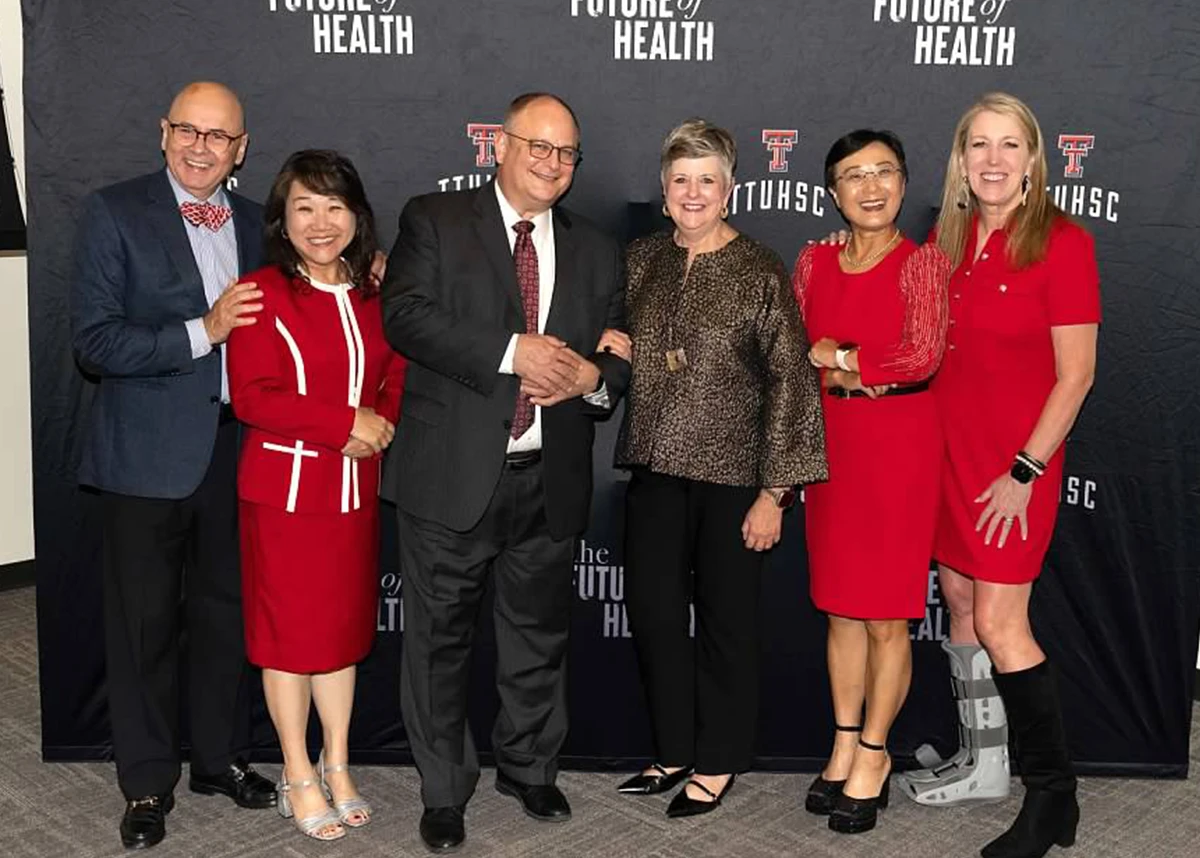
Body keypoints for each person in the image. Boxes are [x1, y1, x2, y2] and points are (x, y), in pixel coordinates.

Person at [380, 92, 630, 853]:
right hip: (450, 475)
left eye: (566, 154)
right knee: (436, 645)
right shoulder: (435, 218)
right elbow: (406, 315)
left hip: (546, 476)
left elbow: (618, 352)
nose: (553, 165)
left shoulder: (595, 246)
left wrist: (590, 377)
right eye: (538, 147)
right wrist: (510, 351)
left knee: (537, 639)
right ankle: (444, 791)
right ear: (499, 146)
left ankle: (528, 768)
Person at [70, 81, 275, 850]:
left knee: (228, 619)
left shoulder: (261, 224)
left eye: (218, 136)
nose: (201, 146)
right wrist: (204, 331)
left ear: (240, 150)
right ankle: (147, 784)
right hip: (145, 458)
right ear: (163, 133)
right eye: (187, 129)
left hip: (240, 451)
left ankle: (221, 760)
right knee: (144, 629)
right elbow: (94, 342)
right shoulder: (113, 212)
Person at [613, 118, 827, 818]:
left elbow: (793, 380)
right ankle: (673, 749)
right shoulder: (642, 257)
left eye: (707, 180)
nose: (693, 193)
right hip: (653, 468)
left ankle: (719, 759)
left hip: (737, 479)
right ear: (665, 190)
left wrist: (776, 493)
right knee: (654, 617)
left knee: (728, 626)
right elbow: (626, 340)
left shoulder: (760, 267)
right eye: (681, 180)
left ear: (729, 189)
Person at [924, 92, 1101, 858]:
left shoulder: (1063, 244)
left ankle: (1053, 798)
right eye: (978, 145)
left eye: (1008, 145)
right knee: (959, 598)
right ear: (961, 160)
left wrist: (1024, 472)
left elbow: (1077, 376)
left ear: (1033, 160)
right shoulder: (948, 239)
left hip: (1013, 467)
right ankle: (984, 761)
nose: (992, 160)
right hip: (947, 456)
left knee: (1001, 622)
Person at [226, 149, 406, 841]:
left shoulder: (373, 293)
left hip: (352, 492)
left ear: (357, 217)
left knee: (338, 638)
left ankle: (337, 763)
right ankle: (296, 772)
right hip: (282, 496)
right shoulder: (260, 293)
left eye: (334, 207)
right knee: (286, 640)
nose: (321, 222)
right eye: (304, 207)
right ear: (283, 217)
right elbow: (254, 397)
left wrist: (378, 423)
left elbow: (394, 370)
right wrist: (344, 425)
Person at [792, 130, 950, 834]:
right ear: (833, 192)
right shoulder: (815, 259)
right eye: (855, 175)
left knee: (887, 616)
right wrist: (841, 362)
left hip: (898, 450)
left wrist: (840, 355)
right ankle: (843, 742)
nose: (872, 186)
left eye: (885, 171)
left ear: (905, 183)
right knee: (839, 610)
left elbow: (919, 355)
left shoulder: (923, 264)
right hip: (831, 447)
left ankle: (877, 754)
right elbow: (798, 349)